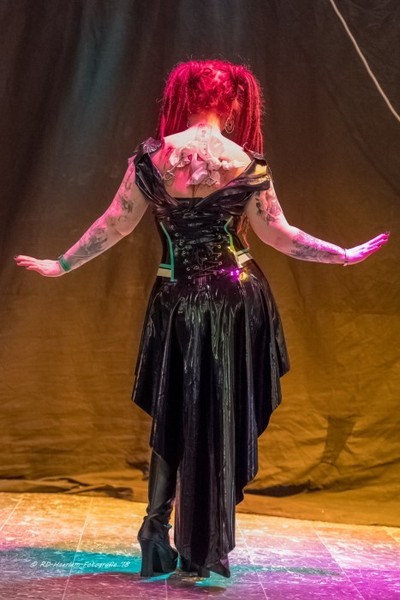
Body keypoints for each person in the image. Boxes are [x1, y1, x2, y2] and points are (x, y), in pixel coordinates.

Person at [15, 59, 389, 579]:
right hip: (235, 299)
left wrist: (61, 263)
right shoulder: (245, 161)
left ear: (183, 98)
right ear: (232, 104)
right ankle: (202, 545)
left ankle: (154, 528)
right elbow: (280, 235)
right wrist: (341, 254)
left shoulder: (153, 158)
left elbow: (116, 224)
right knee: (218, 414)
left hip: (175, 299)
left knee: (173, 409)